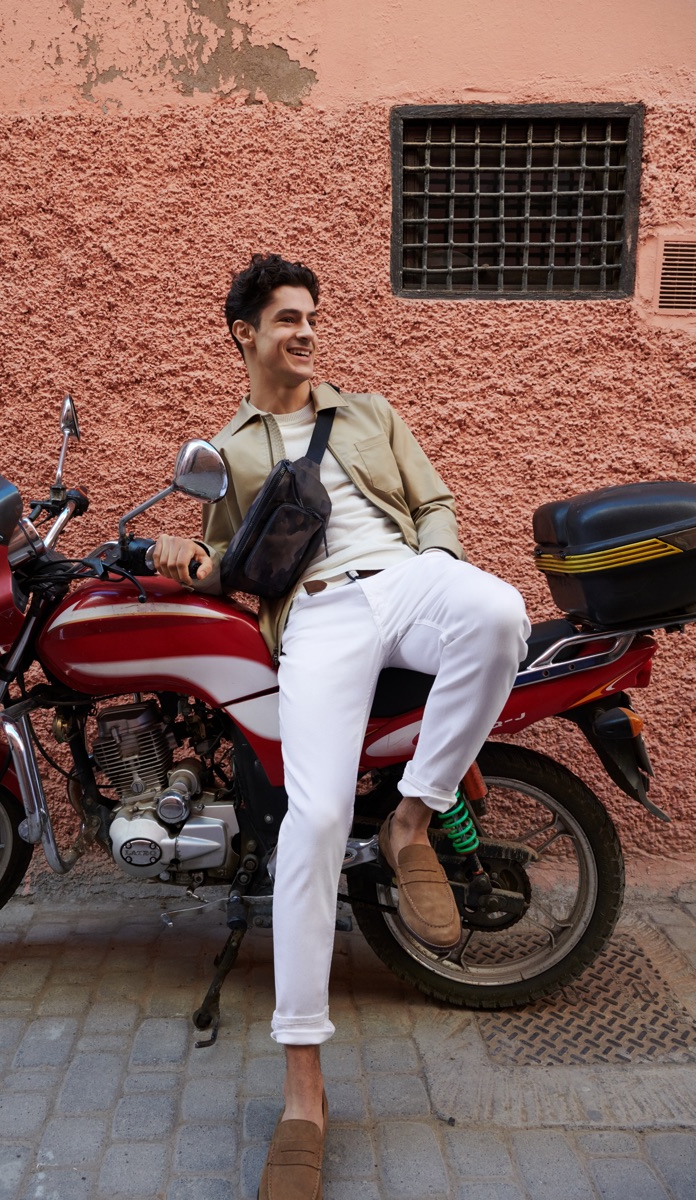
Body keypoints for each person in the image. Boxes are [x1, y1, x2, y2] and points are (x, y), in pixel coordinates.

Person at [153, 254, 530, 1200]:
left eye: (313, 316)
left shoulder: (370, 412)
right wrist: (183, 559)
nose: (307, 331)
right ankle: (303, 1085)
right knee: (313, 823)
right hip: (315, 614)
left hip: (404, 580)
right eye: (287, 319)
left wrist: (433, 573)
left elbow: (434, 501)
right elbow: (226, 563)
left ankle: (412, 818)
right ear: (244, 333)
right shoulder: (231, 449)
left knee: (497, 613)